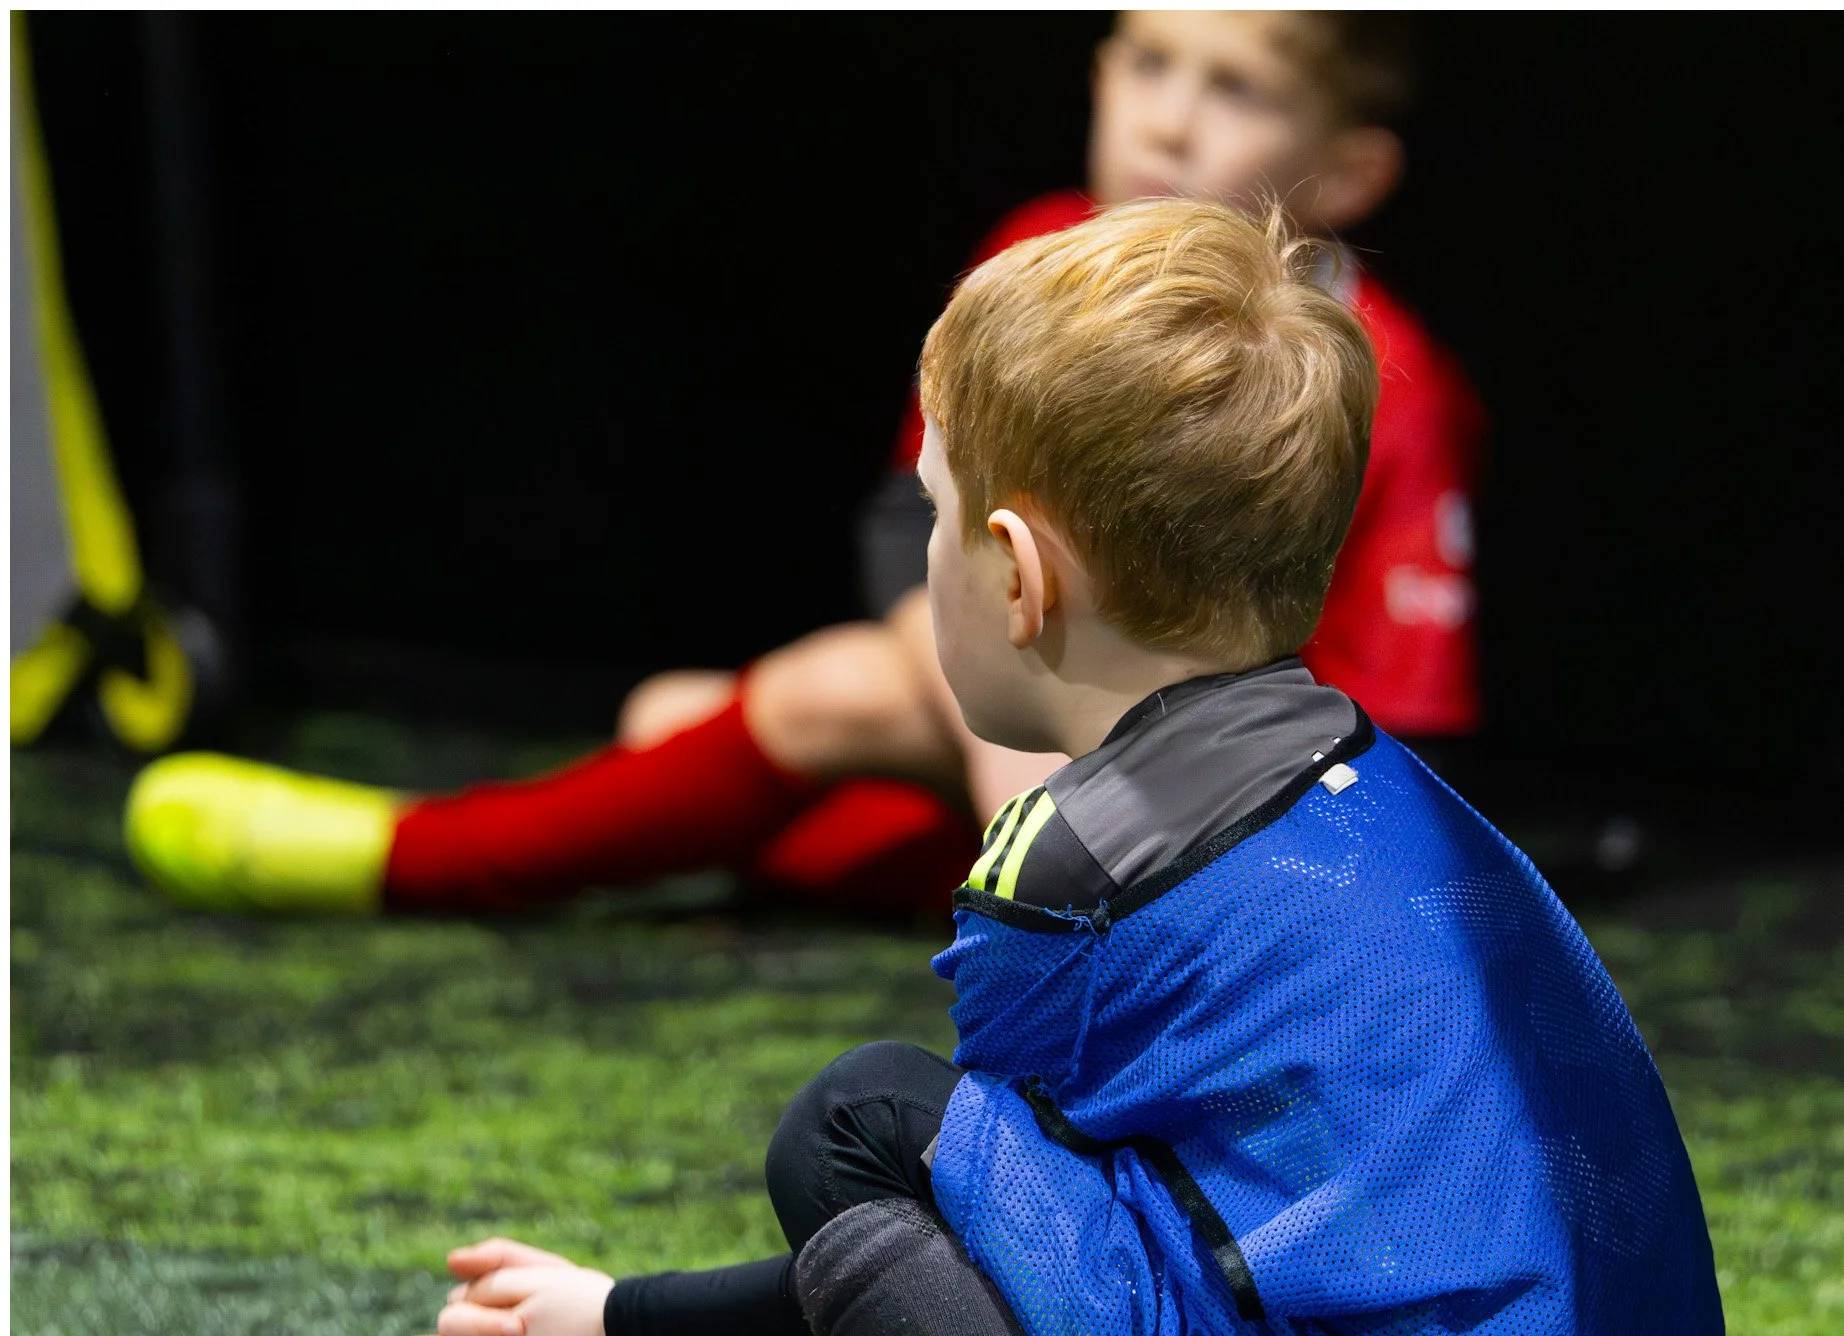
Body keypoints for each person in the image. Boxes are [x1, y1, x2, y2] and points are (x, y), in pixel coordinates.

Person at [403, 198, 1725, 1336]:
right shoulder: (1399, 798)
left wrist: (626, 1334)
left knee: (857, 1126)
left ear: (1020, 579)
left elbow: (973, 1246)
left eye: (933, 515)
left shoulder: (1082, 874)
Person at [122, 10, 1484, 922]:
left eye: (1236, 88)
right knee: (682, 717)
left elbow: (1399, 705)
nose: (1171, 122)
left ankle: (421, 859)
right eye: (1146, 62)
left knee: (804, 709)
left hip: (1243, 802)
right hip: (1009, 717)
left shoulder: (1387, 375)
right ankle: (1015, 872)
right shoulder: (1032, 253)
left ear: (1350, 172)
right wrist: (985, 702)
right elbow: (926, 517)